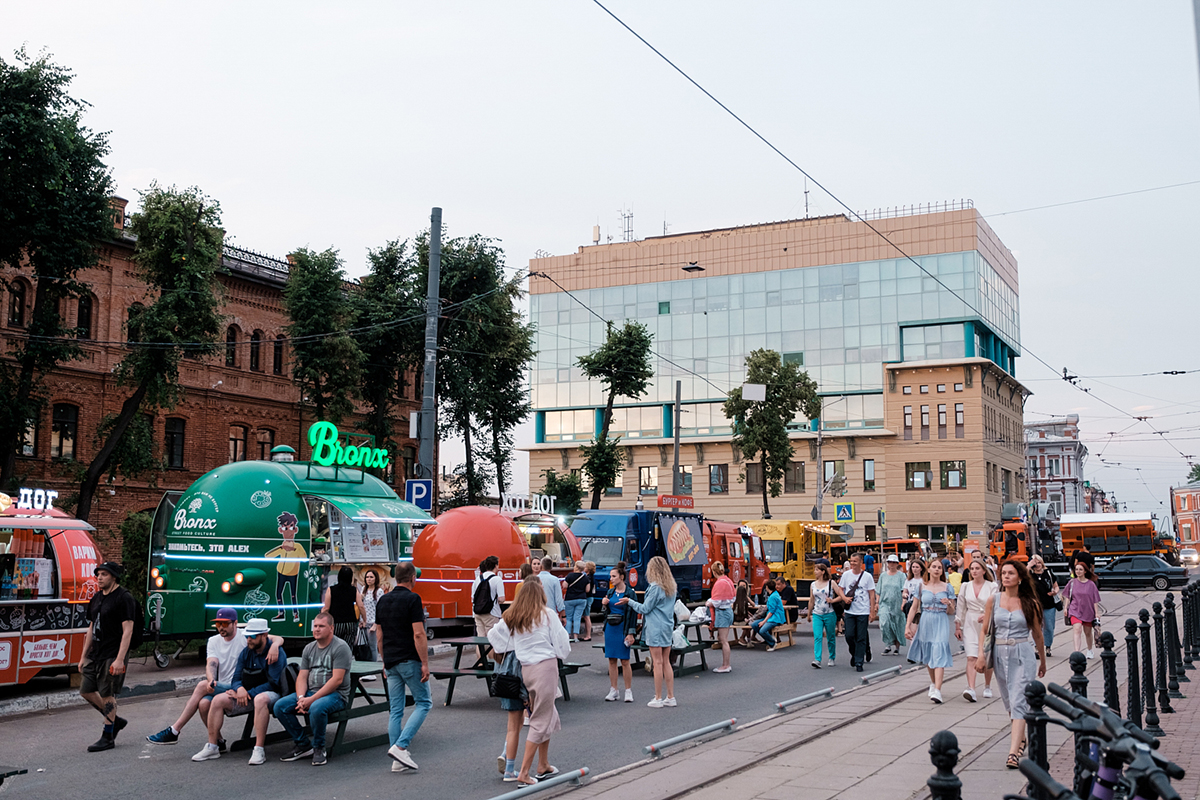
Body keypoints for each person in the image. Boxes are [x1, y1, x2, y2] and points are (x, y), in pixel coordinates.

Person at [149, 607, 282, 747]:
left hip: (238, 686)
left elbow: (275, 638)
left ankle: (175, 730)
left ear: (235, 623)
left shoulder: (246, 636)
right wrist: (211, 680)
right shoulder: (213, 641)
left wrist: (275, 646)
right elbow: (211, 663)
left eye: (225, 624)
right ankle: (218, 742)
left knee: (201, 686)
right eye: (218, 624)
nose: (220, 628)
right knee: (203, 703)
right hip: (222, 685)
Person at [487, 579, 572, 785]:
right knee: (541, 719)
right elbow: (562, 643)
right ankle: (524, 772)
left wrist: (517, 646)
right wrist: (559, 654)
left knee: (548, 713)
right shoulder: (547, 614)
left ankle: (543, 764)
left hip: (526, 669)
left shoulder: (513, 617)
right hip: (545, 666)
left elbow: (493, 635)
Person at [977, 559, 1047, 769]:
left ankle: (1012, 753)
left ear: (1020, 578)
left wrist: (1042, 660)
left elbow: (1037, 635)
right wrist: (981, 655)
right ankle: (1021, 738)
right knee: (1010, 702)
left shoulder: (1030, 603)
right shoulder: (993, 600)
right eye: (1003, 573)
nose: (1006, 576)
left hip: (1022, 653)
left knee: (1019, 701)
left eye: (1010, 573)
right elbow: (985, 630)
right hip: (999, 653)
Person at [194, 618, 287, 764]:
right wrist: (240, 689)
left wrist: (248, 693)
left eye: (253, 636)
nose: (248, 639)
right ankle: (213, 746)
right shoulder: (246, 652)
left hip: (271, 694)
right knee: (218, 699)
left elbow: (274, 683)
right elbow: (236, 678)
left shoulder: (276, 653)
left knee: (260, 699)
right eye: (247, 636)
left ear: (264, 635)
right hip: (245, 693)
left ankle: (259, 749)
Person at [375, 561, 432, 773]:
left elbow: (379, 635)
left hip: (390, 660)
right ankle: (401, 746)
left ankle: (397, 760)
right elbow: (418, 633)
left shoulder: (383, 600)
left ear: (395, 577)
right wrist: (425, 663)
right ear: (412, 578)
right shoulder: (413, 599)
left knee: (395, 710)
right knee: (424, 703)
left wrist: (383, 660)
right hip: (409, 658)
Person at [275, 612, 352, 766]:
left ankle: (319, 747)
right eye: (315, 626)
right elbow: (302, 677)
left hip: (335, 695)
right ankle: (303, 744)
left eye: (321, 626)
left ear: (331, 628)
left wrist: (311, 700)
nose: (316, 629)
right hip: (310, 693)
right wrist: (301, 698)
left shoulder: (340, 647)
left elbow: (337, 680)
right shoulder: (309, 648)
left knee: (316, 708)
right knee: (279, 706)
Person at [79, 562, 137, 752]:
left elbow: (128, 630)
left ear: (113, 577)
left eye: (104, 574)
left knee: (107, 693)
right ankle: (116, 720)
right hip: (96, 652)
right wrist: (83, 656)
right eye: (98, 574)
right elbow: (90, 627)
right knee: (86, 690)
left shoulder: (123, 598)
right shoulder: (96, 598)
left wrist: (120, 659)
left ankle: (108, 736)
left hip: (113, 653)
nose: (100, 578)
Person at [619, 556, 677, 707]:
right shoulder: (671, 586)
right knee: (666, 662)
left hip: (655, 627)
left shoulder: (655, 587)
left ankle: (658, 697)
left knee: (656, 663)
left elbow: (645, 608)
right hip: (667, 626)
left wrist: (629, 601)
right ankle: (670, 696)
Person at [905, 558, 956, 703]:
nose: (936, 569)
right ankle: (933, 683)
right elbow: (914, 607)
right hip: (926, 619)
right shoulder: (922, 586)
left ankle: (938, 690)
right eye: (934, 567)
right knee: (928, 654)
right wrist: (907, 625)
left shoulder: (947, 587)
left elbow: (952, 611)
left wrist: (949, 604)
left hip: (941, 619)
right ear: (928, 569)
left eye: (939, 567)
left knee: (939, 651)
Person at [954, 559, 996, 702]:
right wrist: (957, 625)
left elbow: (997, 605)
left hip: (987, 622)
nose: (974, 571)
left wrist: (987, 614)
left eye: (977, 568)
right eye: (972, 568)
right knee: (971, 656)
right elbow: (960, 607)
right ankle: (971, 688)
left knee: (986, 655)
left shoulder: (992, 586)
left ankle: (987, 685)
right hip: (970, 623)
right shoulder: (966, 586)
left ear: (984, 570)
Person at [602, 561, 639, 699]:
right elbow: (605, 612)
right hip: (611, 628)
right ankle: (614, 689)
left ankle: (628, 690)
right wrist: (604, 605)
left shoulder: (630, 593)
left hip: (623, 628)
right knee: (611, 659)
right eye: (610, 576)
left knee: (624, 660)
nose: (611, 579)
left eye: (613, 576)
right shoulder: (610, 592)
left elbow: (633, 614)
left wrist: (631, 632)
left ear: (621, 577)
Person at [838, 553, 877, 672]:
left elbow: (871, 594)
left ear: (861, 563)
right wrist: (844, 598)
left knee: (861, 636)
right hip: (850, 610)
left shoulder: (867, 577)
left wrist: (872, 611)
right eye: (851, 561)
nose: (853, 563)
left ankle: (859, 661)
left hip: (863, 610)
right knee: (849, 635)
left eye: (855, 561)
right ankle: (854, 653)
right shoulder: (846, 575)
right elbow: (841, 589)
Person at [265, 512, 306, 622]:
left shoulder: (298, 546)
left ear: (295, 529)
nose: (288, 531)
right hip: (281, 572)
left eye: (291, 527)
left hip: (293, 573)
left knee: (293, 595)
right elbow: (268, 556)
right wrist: (280, 548)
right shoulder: (282, 547)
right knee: (279, 593)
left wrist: (293, 550)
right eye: (285, 528)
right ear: (280, 530)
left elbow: (304, 558)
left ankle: (295, 613)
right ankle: (281, 612)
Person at [806, 560, 847, 668]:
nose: (815, 572)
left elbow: (840, 595)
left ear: (823, 571)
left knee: (830, 636)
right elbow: (811, 599)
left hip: (829, 613)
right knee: (818, 636)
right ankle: (817, 659)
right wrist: (809, 613)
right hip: (817, 613)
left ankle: (832, 657)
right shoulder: (813, 584)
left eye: (817, 570)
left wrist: (832, 601)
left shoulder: (831, 583)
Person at [1063, 560, 1101, 658]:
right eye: (1076, 569)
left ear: (1085, 571)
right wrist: (1066, 607)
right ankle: (1077, 652)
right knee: (1077, 628)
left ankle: (1089, 650)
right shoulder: (1072, 583)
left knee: (1088, 632)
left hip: (1088, 611)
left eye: (1080, 569)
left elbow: (1095, 600)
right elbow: (1067, 595)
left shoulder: (1091, 584)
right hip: (1075, 609)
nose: (1078, 571)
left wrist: (1096, 613)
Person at [323, 565, 367, 651]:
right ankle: (346, 662)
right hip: (350, 623)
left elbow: (326, 608)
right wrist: (364, 620)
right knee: (347, 647)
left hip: (335, 622)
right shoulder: (354, 590)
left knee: (334, 646)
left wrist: (322, 619)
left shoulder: (331, 589)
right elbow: (361, 606)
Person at [472, 556, 506, 661]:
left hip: (477, 612)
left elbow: (473, 597)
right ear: (496, 566)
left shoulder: (478, 579)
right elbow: (501, 598)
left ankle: (480, 661)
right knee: (492, 638)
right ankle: (491, 662)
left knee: (480, 637)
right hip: (492, 612)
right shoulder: (497, 579)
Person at [705, 562, 735, 673]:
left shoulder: (719, 583)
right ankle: (726, 664)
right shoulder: (728, 581)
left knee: (723, 640)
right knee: (724, 639)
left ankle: (725, 665)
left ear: (713, 571)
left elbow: (716, 602)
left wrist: (709, 603)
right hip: (728, 610)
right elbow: (733, 599)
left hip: (722, 612)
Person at [1029, 556, 1061, 657]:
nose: (1037, 565)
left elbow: (1056, 586)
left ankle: (1048, 646)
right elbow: (1020, 578)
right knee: (1036, 627)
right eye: (1035, 563)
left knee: (1049, 627)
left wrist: (1055, 592)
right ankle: (1037, 647)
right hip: (1035, 604)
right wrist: (1029, 566)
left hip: (1049, 604)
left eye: (1039, 562)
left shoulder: (1048, 573)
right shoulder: (1029, 575)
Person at [877, 554, 907, 656]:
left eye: (894, 562)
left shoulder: (901, 576)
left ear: (897, 563)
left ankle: (897, 647)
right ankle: (888, 644)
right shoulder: (883, 575)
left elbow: (904, 589)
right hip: (885, 603)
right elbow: (878, 590)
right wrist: (877, 603)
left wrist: (904, 601)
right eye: (890, 562)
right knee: (884, 623)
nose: (892, 564)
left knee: (897, 624)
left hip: (897, 603)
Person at [751, 580, 787, 651]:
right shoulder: (774, 594)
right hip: (771, 617)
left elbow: (771, 612)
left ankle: (772, 643)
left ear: (767, 587)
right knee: (754, 624)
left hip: (776, 618)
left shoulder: (773, 597)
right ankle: (769, 637)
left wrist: (763, 621)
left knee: (762, 631)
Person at [360, 567, 387, 663]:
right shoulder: (363, 589)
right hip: (364, 623)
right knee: (364, 647)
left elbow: (381, 608)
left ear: (376, 578)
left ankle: (373, 667)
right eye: (367, 577)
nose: (369, 579)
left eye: (371, 577)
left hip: (373, 623)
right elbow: (361, 606)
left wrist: (376, 624)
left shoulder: (379, 591)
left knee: (373, 647)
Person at [561, 561, 591, 643]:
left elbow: (564, 586)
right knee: (577, 618)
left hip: (570, 599)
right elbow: (587, 589)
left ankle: (568, 635)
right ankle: (576, 636)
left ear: (576, 567)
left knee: (569, 618)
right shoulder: (585, 577)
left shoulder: (570, 575)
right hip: (582, 599)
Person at [533, 556, 565, 622]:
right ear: (551, 567)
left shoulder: (534, 579)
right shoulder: (555, 580)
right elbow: (559, 600)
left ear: (541, 566)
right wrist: (563, 615)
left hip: (536, 612)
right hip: (551, 613)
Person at [732, 579, 756, 647]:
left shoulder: (735, 600)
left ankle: (745, 639)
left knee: (750, 620)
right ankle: (747, 640)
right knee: (751, 622)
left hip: (735, 620)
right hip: (742, 620)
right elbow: (746, 611)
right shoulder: (745, 600)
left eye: (744, 585)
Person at [581, 561, 597, 641]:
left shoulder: (588, 578)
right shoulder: (591, 577)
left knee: (587, 616)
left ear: (589, 568)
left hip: (588, 597)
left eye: (585, 567)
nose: (584, 568)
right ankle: (587, 634)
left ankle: (588, 635)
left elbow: (588, 589)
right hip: (590, 597)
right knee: (586, 616)